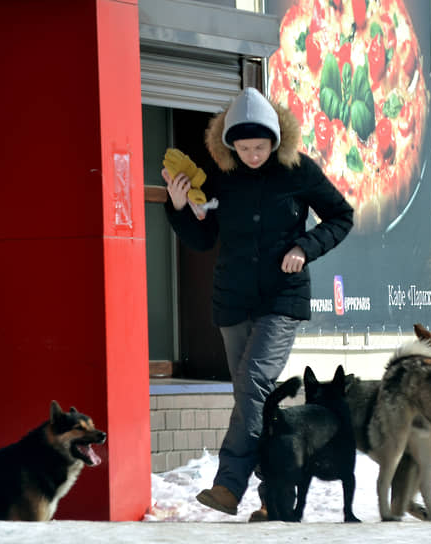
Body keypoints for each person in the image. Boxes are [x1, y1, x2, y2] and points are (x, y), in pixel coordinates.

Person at [162, 87, 354, 520]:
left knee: (252, 383)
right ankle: (275, 496)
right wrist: (178, 209)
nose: (252, 155)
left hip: (282, 299)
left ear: (276, 140)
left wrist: (305, 247)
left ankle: (229, 485)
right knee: (254, 396)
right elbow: (203, 238)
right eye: (244, 148)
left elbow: (342, 216)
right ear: (230, 145)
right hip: (232, 302)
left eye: (260, 147)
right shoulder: (220, 175)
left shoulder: (298, 171)